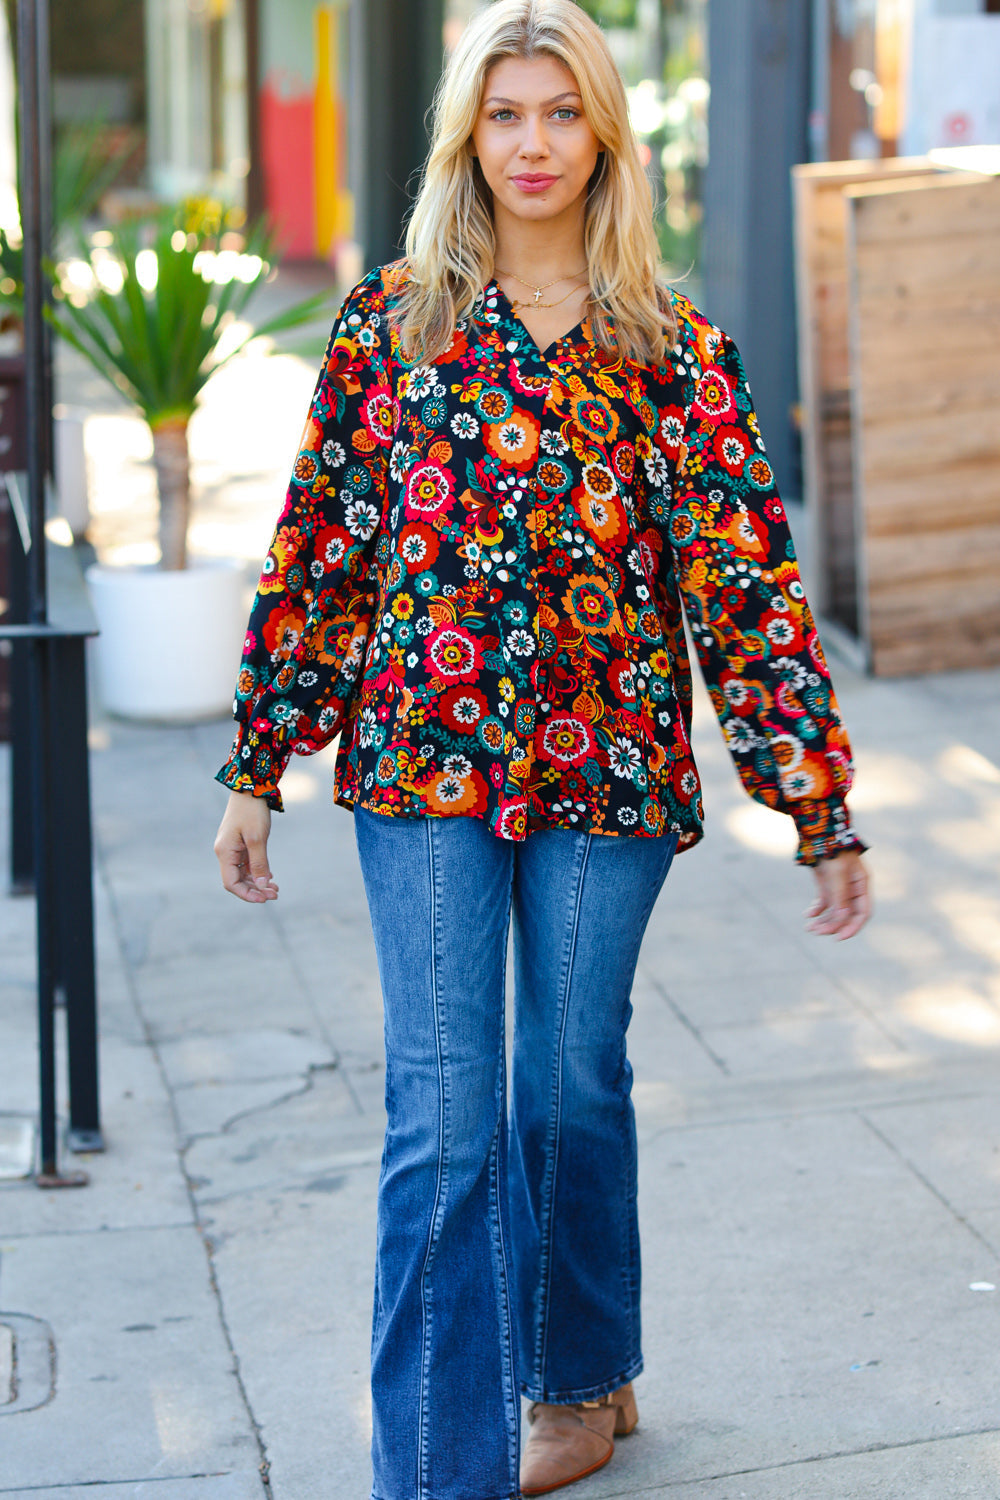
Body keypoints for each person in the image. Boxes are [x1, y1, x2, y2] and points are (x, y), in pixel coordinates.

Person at [213, 3, 871, 1496]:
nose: (530, 144)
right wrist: (261, 761)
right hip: (423, 765)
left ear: (605, 138)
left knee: (565, 1083)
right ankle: (434, 1470)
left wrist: (815, 800)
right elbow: (319, 552)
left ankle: (577, 1374)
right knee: (442, 1120)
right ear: (467, 137)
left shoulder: (675, 347)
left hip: (609, 768)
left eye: (559, 113)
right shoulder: (393, 325)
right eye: (503, 115)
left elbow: (746, 586)